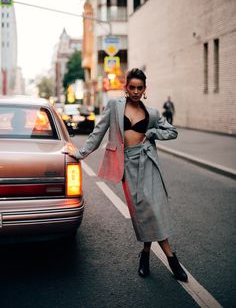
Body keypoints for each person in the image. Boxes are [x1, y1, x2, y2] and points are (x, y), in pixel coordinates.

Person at [68, 68, 188, 282]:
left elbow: (172, 132)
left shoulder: (152, 113)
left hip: (148, 162)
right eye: (131, 87)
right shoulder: (115, 106)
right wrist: (79, 154)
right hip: (127, 165)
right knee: (143, 211)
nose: (135, 91)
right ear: (125, 87)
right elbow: (98, 132)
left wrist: (152, 132)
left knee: (151, 208)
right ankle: (146, 254)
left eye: (139, 88)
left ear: (145, 89)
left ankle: (170, 258)